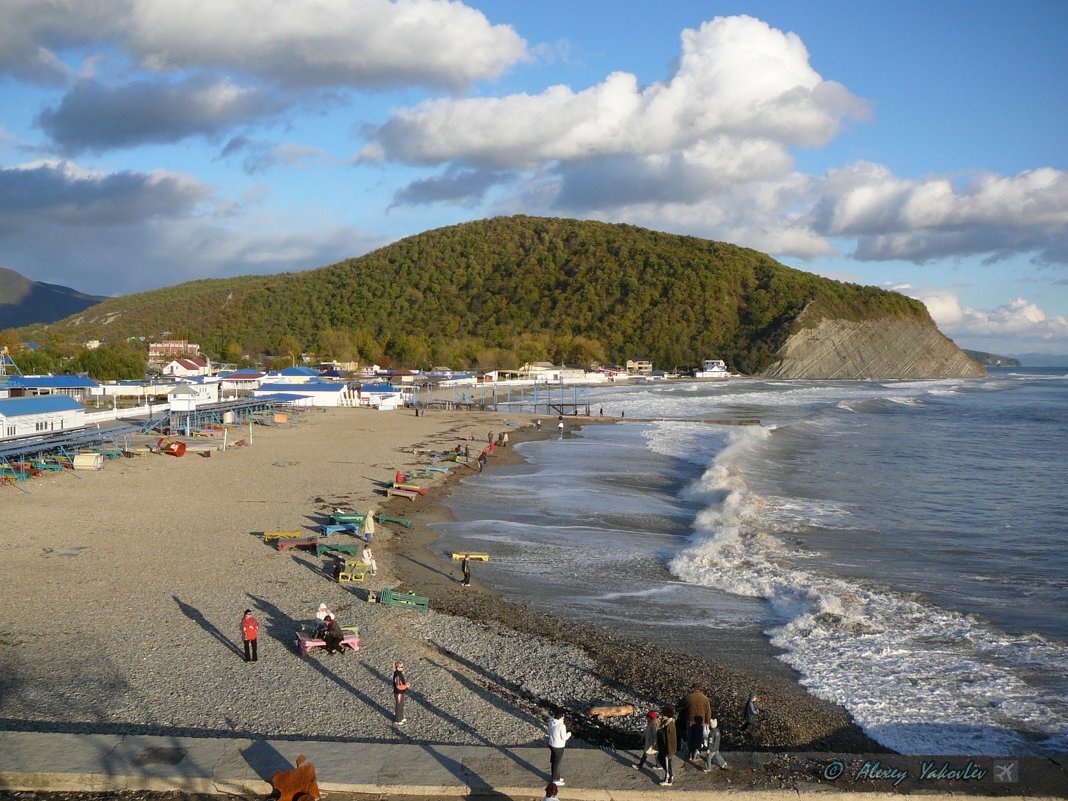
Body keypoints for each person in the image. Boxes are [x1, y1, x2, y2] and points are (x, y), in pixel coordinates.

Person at [683, 683, 713, 759]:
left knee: (690, 737)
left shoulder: (688, 697)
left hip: (690, 720)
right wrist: (707, 721)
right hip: (700, 721)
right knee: (698, 738)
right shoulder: (705, 698)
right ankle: (696, 754)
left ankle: (689, 753)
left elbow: (684, 709)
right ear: (700, 689)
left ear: (693, 688)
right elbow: (708, 711)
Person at [547, 709, 571, 786]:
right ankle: (555, 780)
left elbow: (548, 732)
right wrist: (569, 734)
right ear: (560, 717)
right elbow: (564, 737)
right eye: (563, 716)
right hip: (559, 746)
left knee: (554, 762)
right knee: (557, 763)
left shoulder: (551, 722)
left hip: (551, 744)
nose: (564, 717)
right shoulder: (561, 726)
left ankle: (556, 776)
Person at [655, 705, 677, 787]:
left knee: (667, 764)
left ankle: (668, 780)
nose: (662, 716)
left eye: (663, 715)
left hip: (667, 749)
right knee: (661, 759)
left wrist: (669, 751)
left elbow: (670, 740)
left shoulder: (670, 726)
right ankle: (670, 774)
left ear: (667, 715)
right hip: (663, 748)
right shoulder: (666, 723)